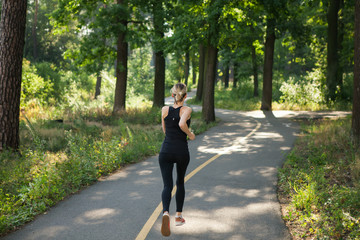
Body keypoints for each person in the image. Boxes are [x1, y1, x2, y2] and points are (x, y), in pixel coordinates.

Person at [159, 83, 195, 237]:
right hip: (181, 151)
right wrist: (190, 134)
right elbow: (181, 123)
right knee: (180, 182)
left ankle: (166, 212)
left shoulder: (164, 110)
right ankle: (178, 217)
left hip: (166, 151)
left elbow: (165, 130)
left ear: (172, 95)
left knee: (167, 185)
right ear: (185, 96)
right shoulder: (187, 110)